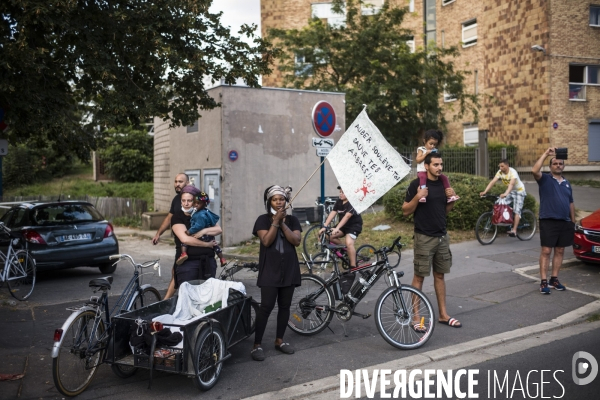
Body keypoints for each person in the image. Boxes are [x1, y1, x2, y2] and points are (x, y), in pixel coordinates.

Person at [402, 151, 462, 328]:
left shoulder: (444, 184)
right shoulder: (416, 185)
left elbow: (444, 211)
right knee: (419, 277)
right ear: (426, 166)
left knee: (440, 275)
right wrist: (417, 197)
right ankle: (416, 318)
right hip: (424, 237)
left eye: (441, 164)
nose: (439, 168)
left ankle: (443, 315)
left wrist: (451, 199)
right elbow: (405, 210)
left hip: (442, 237)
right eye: (436, 165)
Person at [250, 185, 302, 361]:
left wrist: (282, 223)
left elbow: (296, 241)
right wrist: (275, 222)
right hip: (269, 270)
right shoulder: (262, 220)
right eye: (275, 199)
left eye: (282, 199)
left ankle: (280, 340)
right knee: (266, 307)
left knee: (285, 306)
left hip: (289, 269)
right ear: (269, 202)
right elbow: (266, 241)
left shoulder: (293, 220)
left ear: (286, 201)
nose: (279, 202)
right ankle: (257, 344)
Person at [532, 148, 575, 294]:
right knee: (546, 251)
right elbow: (534, 170)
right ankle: (543, 282)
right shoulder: (544, 179)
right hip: (548, 220)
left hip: (565, 222)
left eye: (560, 163)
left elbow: (570, 203)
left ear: (563, 166)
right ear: (550, 167)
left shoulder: (567, 184)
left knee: (560, 250)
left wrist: (573, 222)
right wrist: (545, 154)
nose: (557, 165)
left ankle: (554, 279)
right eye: (555, 163)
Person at [167, 185, 223, 297]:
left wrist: (204, 231)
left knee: (206, 297)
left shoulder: (204, 214)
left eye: (190, 201)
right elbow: (185, 239)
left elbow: (218, 229)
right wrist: (207, 244)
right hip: (188, 264)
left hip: (207, 262)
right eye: (183, 200)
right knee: (188, 297)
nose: (186, 203)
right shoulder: (177, 217)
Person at [152, 173, 189, 300]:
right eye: (176, 181)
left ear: (187, 183)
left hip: (189, 243)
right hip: (179, 244)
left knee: (178, 273)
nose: (177, 184)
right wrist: (158, 234)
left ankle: (165, 301)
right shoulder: (176, 199)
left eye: (181, 181)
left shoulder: (192, 199)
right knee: (176, 272)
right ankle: (181, 298)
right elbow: (169, 218)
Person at [176, 191, 226, 267]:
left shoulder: (200, 215)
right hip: (209, 236)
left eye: (198, 203)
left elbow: (198, 226)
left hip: (200, 235)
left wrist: (190, 231)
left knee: (185, 241)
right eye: (195, 202)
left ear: (204, 204)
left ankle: (183, 254)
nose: (196, 205)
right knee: (215, 245)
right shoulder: (207, 212)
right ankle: (222, 259)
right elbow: (213, 223)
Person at [319, 186, 363, 269]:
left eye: (343, 192)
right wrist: (325, 226)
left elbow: (347, 216)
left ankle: (353, 267)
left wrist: (337, 228)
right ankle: (345, 249)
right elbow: (333, 213)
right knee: (329, 236)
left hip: (354, 226)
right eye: (340, 192)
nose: (340, 194)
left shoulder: (352, 203)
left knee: (349, 243)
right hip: (343, 225)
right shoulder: (339, 202)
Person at [480, 159, 527, 237]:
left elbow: (511, 185)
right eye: (499, 166)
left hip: (519, 191)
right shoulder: (500, 172)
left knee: (517, 211)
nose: (500, 168)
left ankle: (514, 230)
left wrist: (505, 193)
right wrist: (485, 191)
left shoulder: (513, 172)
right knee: (498, 203)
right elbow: (492, 182)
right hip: (510, 191)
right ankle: (506, 220)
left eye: (502, 166)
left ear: (507, 165)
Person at [415, 130, 460, 203]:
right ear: (424, 141)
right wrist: (426, 153)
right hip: (422, 171)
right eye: (431, 144)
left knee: (444, 177)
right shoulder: (421, 149)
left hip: (431, 172)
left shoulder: (433, 150)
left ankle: (449, 196)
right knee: (423, 178)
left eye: (434, 144)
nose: (432, 146)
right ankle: (422, 196)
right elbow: (417, 160)